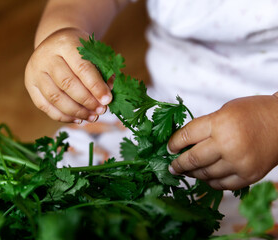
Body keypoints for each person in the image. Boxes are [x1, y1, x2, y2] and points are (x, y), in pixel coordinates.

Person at [24, 0, 278, 191]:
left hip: (269, 147)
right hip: (162, 117)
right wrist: (60, 31)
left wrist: (272, 122)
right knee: (62, 180)